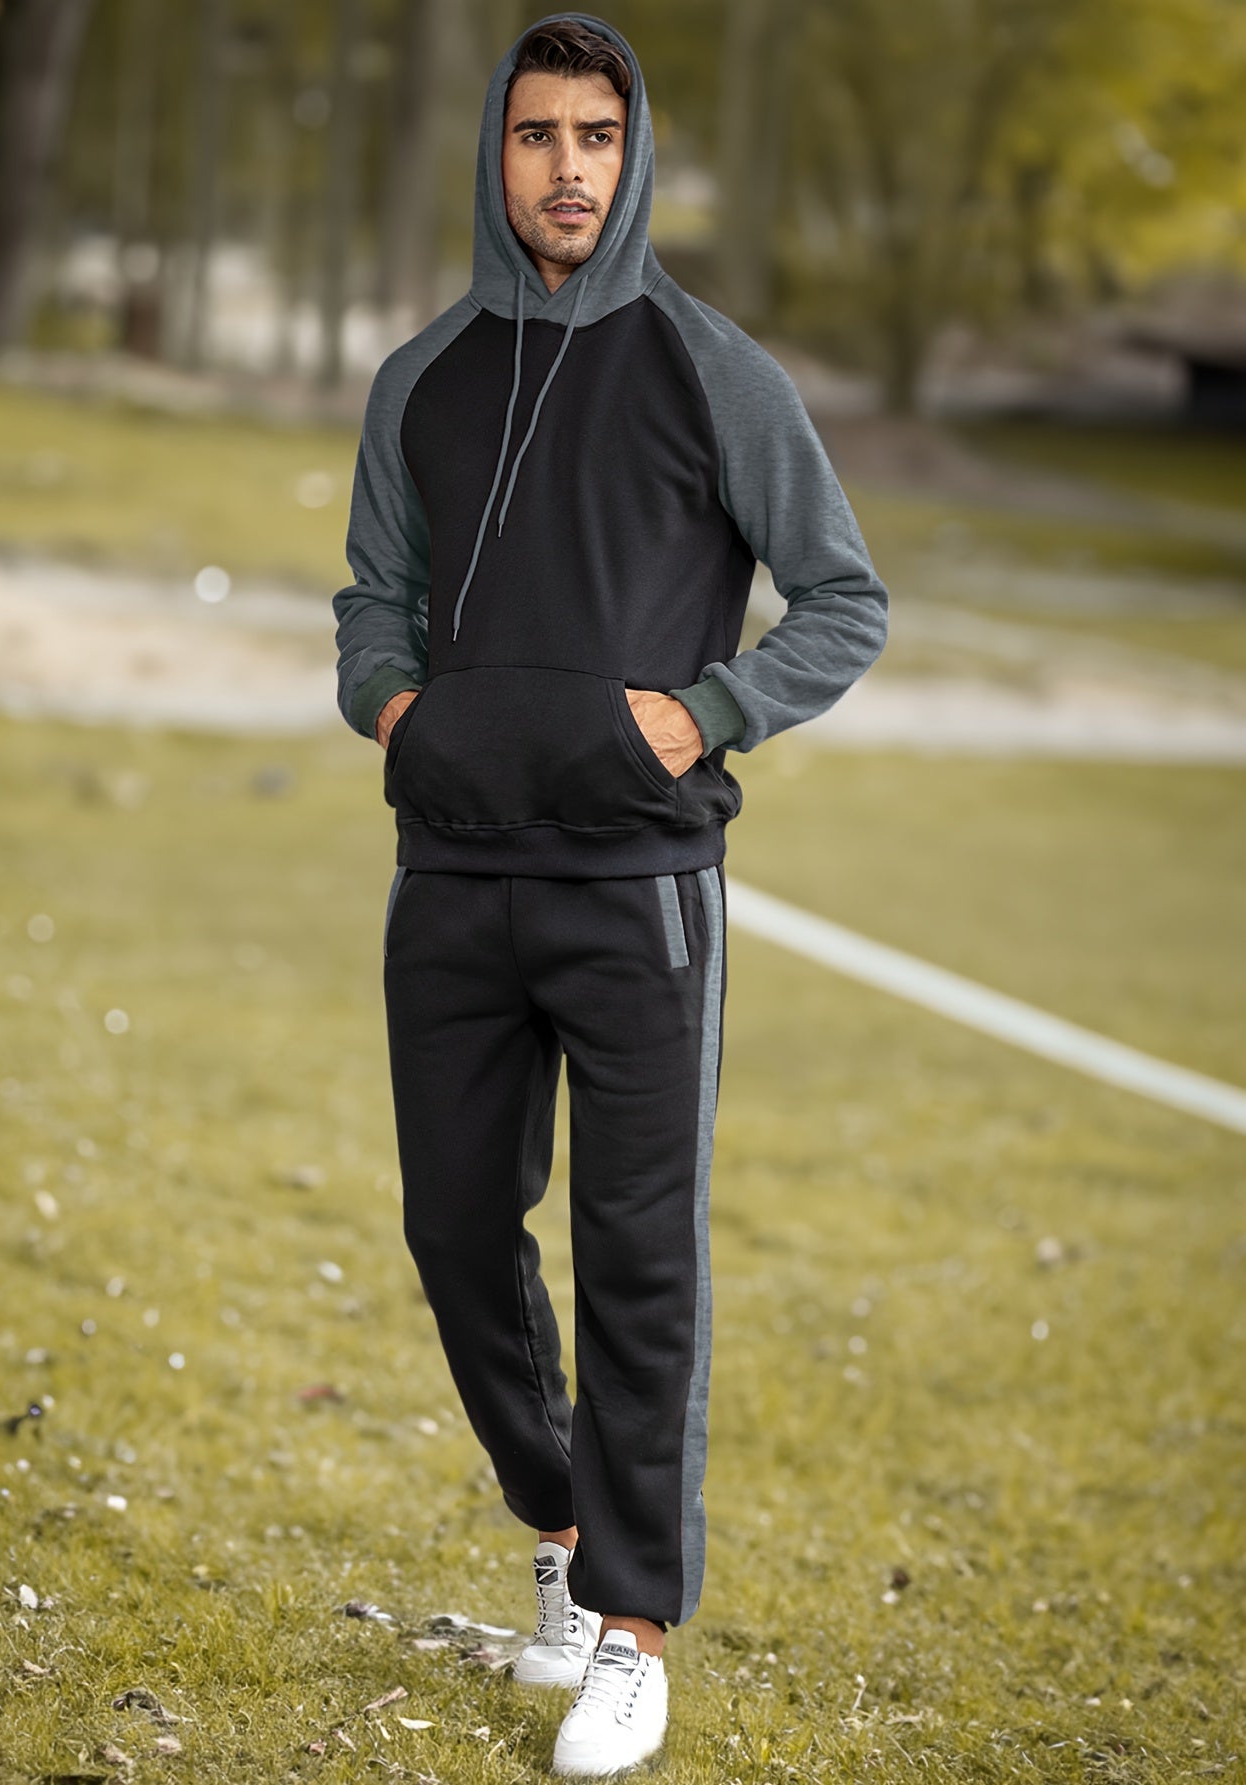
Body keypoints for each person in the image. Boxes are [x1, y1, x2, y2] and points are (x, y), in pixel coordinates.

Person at [332, 11, 889, 1776]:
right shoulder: (421, 377)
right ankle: (567, 1536)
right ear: (494, 158)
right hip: (451, 880)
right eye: (536, 136)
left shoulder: (714, 370)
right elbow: (370, 606)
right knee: (452, 1231)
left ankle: (632, 1632)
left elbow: (845, 600)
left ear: (633, 156)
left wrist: (705, 712)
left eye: (597, 136)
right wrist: (400, 710)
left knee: (639, 1258)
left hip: (641, 892)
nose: (567, 168)